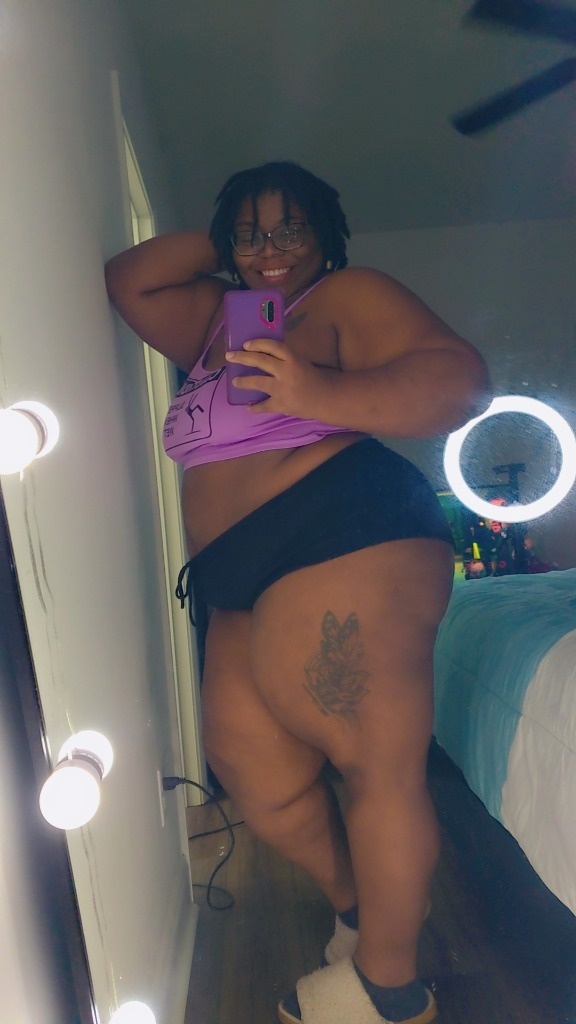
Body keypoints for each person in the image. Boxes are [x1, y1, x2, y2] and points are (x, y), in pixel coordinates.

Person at [105, 161, 491, 1024]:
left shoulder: (347, 295)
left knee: (374, 764)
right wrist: (228, 250)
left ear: (323, 233)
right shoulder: (220, 322)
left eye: (289, 227)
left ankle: (390, 987)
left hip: (345, 527)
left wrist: (320, 390)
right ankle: (366, 913)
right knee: (258, 774)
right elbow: (130, 280)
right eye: (250, 231)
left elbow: (461, 384)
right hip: (239, 571)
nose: (270, 247)